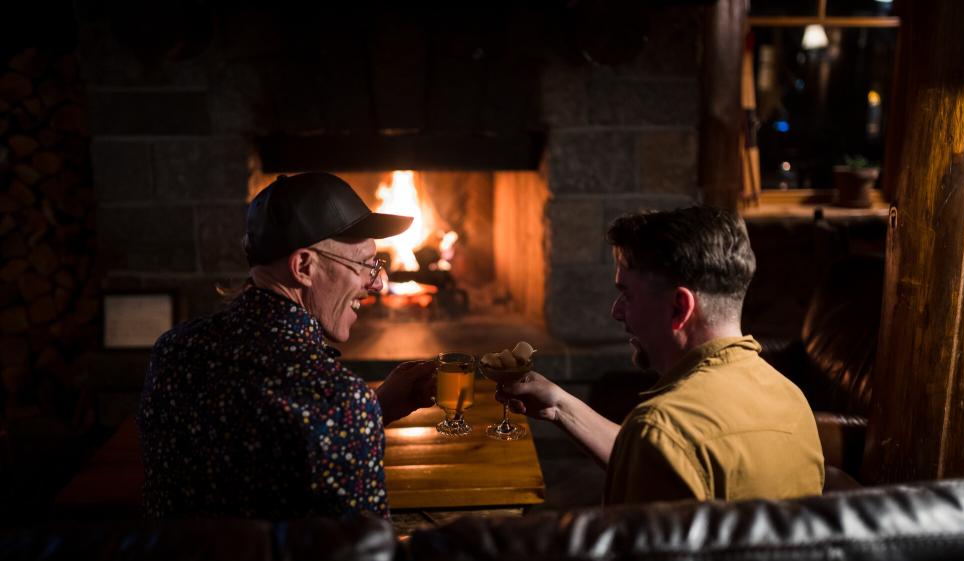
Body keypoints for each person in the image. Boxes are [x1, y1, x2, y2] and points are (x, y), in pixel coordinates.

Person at [137, 173, 436, 520]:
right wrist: (357, 414)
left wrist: (374, 411)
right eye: (367, 265)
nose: (377, 284)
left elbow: (242, 454)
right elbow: (363, 560)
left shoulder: (173, 350)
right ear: (304, 267)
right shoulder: (335, 398)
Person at [500, 207, 824, 505]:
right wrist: (560, 406)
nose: (616, 311)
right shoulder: (793, 401)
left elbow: (664, 448)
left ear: (679, 308)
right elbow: (672, 460)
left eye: (627, 294)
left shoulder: (659, 428)